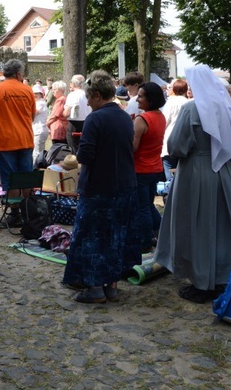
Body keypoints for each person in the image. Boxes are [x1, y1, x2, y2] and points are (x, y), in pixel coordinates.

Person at [153, 65, 231, 303]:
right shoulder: (227, 109)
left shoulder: (192, 109)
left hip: (197, 172)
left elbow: (176, 146)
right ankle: (223, 276)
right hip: (225, 172)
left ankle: (202, 282)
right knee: (223, 227)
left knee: (199, 225)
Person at [63, 70, 140, 304]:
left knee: (93, 237)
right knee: (116, 236)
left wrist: (73, 157)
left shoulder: (95, 119)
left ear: (97, 95)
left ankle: (95, 287)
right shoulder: (125, 116)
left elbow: (86, 155)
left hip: (99, 186)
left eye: (89, 97)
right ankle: (112, 287)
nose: (87, 102)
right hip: (125, 184)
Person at [0, 59, 35, 198]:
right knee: (26, 177)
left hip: (4, 141)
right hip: (25, 139)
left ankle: (15, 213)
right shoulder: (28, 90)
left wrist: (0, 119)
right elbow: (32, 116)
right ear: (18, 74)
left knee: (10, 179)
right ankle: (28, 209)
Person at [132, 81, 166, 252]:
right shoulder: (160, 116)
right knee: (149, 204)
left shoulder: (142, 119)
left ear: (150, 99)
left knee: (142, 207)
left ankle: (145, 242)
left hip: (141, 169)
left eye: (140, 96)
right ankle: (161, 235)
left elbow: (133, 147)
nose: (137, 99)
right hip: (155, 168)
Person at [161, 78, 189, 180]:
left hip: (170, 139)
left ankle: (169, 191)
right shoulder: (188, 103)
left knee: (168, 168)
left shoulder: (170, 103)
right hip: (185, 140)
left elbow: (164, 121)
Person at [63, 74, 91, 153]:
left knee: (74, 149)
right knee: (85, 147)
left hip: (74, 124)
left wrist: (63, 113)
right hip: (86, 122)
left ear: (73, 83)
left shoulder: (72, 95)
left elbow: (66, 113)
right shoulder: (87, 94)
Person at [46, 80, 68, 146]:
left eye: (54, 89)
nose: (52, 91)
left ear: (60, 90)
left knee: (58, 150)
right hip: (59, 129)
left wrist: (46, 123)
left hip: (58, 130)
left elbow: (54, 115)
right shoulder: (62, 99)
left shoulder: (61, 100)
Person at [32, 84, 49, 163]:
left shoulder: (40, 103)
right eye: (33, 94)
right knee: (36, 152)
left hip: (39, 129)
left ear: (40, 94)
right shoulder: (37, 102)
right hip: (37, 129)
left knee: (38, 153)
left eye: (36, 94)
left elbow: (34, 112)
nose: (34, 95)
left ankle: (37, 171)